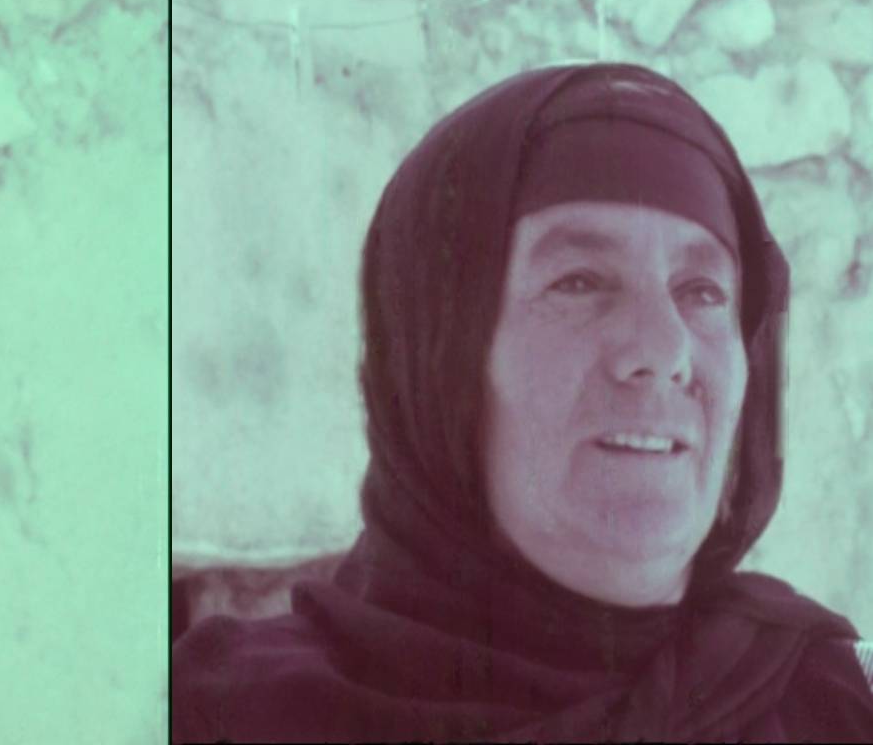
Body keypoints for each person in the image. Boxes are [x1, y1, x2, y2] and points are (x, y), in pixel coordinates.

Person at [170, 62, 873, 742]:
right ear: (436, 359)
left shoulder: (830, 706)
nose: (665, 349)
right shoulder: (217, 719)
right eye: (579, 281)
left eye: (703, 291)